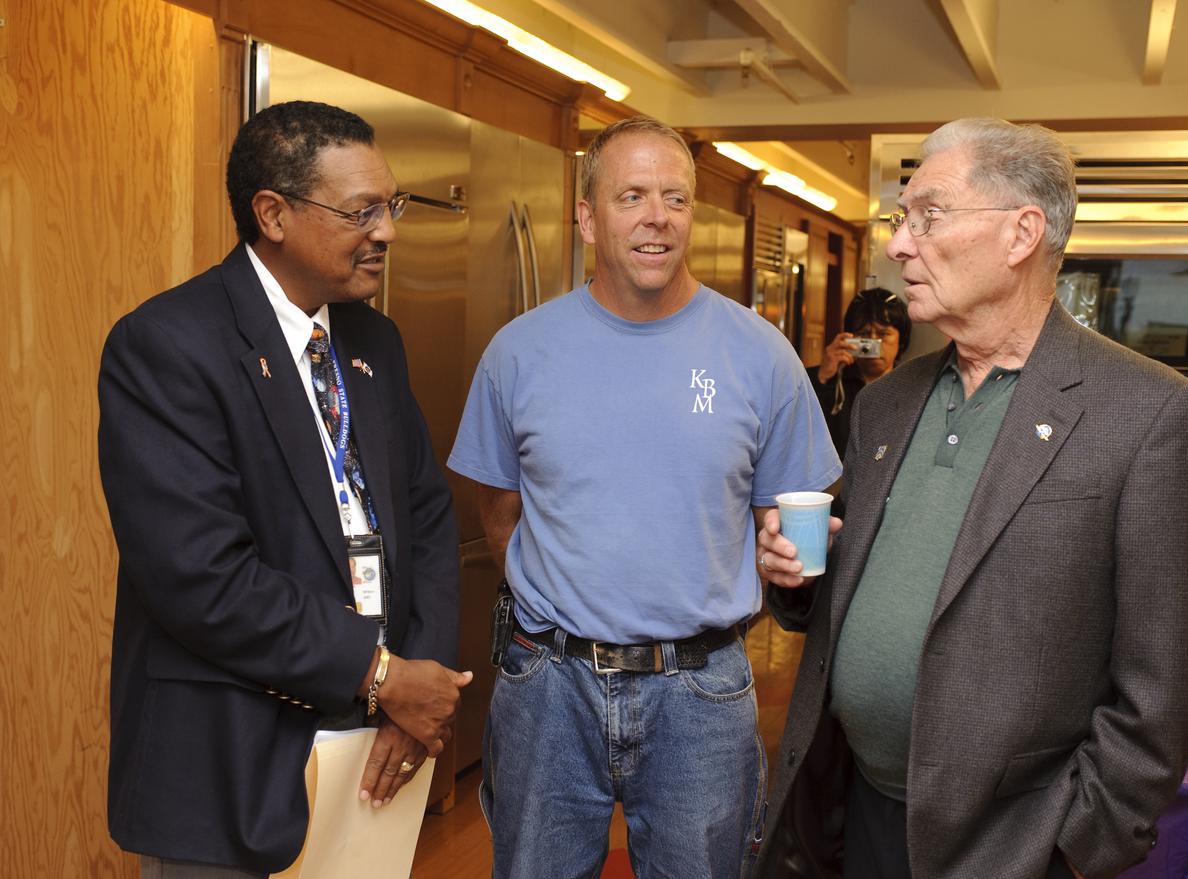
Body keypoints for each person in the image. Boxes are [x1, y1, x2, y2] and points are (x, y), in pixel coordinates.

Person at [755, 117, 1188, 879]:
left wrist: (1076, 846)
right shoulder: (886, 405)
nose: (898, 244)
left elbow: (1166, 680)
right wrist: (801, 575)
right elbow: (867, 589)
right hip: (855, 813)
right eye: (901, 218)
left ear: (1021, 234)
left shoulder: (1148, 415)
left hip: (1013, 843)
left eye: (929, 216)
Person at [447, 115, 841, 879]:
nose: (657, 217)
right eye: (631, 196)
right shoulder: (519, 352)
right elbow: (498, 508)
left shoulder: (760, 354)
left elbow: (786, 514)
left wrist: (788, 555)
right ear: (589, 218)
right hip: (548, 686)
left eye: (675, 198)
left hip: (702, 690)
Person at [98, 101, 469, 878]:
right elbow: (201, 576)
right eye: (361, 210)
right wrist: (382, 675)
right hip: (229, 764)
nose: (388, 230)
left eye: (390, 205)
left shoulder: (374, 340)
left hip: (374, 744)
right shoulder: (166, 345)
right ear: (273, 213)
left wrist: (415, 691)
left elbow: (428, 520)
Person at [808, 287, 913, 458]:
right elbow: (802, 430)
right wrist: (822, 378)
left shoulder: (912, 385)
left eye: (883, 334)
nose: (872, 343)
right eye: (863, 334)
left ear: (901, 340)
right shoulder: (830, 380)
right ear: (850, 337)